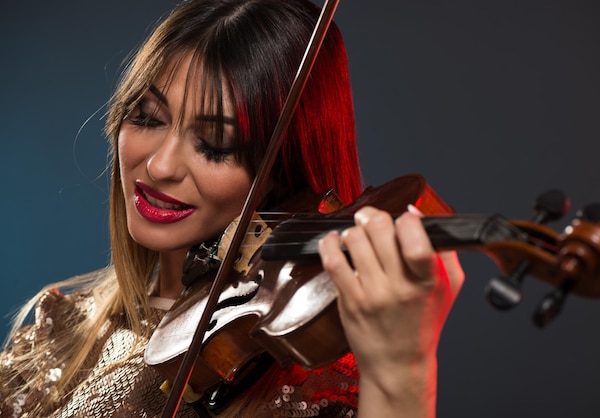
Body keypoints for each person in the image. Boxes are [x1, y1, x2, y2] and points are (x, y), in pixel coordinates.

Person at [0, 0, 464, 416]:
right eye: (147, 118)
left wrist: (401, 377)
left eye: (215, 145)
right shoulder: (59, 331)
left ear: (281, 173)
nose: (160, 166)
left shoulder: (320, 392)